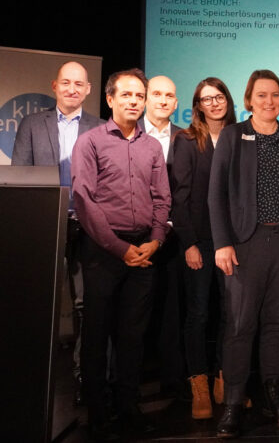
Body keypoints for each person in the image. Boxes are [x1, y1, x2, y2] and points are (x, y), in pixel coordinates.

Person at [208, 69, 279, 438]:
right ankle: (233, 404)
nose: (269, 101)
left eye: (275, 95)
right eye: (261, 95)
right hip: (245, 244)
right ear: (249, 100)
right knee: (241, 326)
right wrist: (222, 242)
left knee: (278, 324)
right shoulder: (232, 135)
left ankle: (275, 397)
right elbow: (216, 195)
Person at [71, 68, 171, 440]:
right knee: (97, 335)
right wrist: (119, 248)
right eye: (126, 95)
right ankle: (98, 411)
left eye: (139, 96)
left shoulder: (152, 147)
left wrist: (156, 240)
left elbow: (163, 199)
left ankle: (129, 407)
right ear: (110, 99)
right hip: (102, 251)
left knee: (133, 336)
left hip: (144, 251)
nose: (134, 101)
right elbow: (84, 199)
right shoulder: (91, 142)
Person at [11, 60, 103, 404]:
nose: (72, 89)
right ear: (54, 85)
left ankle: (83, 377)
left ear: (89, 89)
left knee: (85, 304)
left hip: (87, 226)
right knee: (39, 303)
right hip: (44, 225)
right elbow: (20, 176)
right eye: (66, 82)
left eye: (79, 84)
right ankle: (32, 377)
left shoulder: (100, 127)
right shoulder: (33, 124)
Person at [170, 77, 236, 419]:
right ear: (197, 105)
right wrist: (189, 243)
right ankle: (199, 387)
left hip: (234, 242)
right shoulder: (185, 140)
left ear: (227, 99)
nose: (214, 103)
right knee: (198, 315)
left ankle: (225, 381)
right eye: (206, 99)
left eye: (219, 96)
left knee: (231, 314)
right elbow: (179, 197)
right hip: (199, 241)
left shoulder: (240, 135)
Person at [140, 75, 186, 399]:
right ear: (145, 99)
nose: (162, 100)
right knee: (131, 314)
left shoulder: (185, 139)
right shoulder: (126, 133)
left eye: (169, 95)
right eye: (156, 93)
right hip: (132, 237)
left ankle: (173, 382)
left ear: (176, 102)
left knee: (172, 312)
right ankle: (125, 384)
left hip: (173, 237)